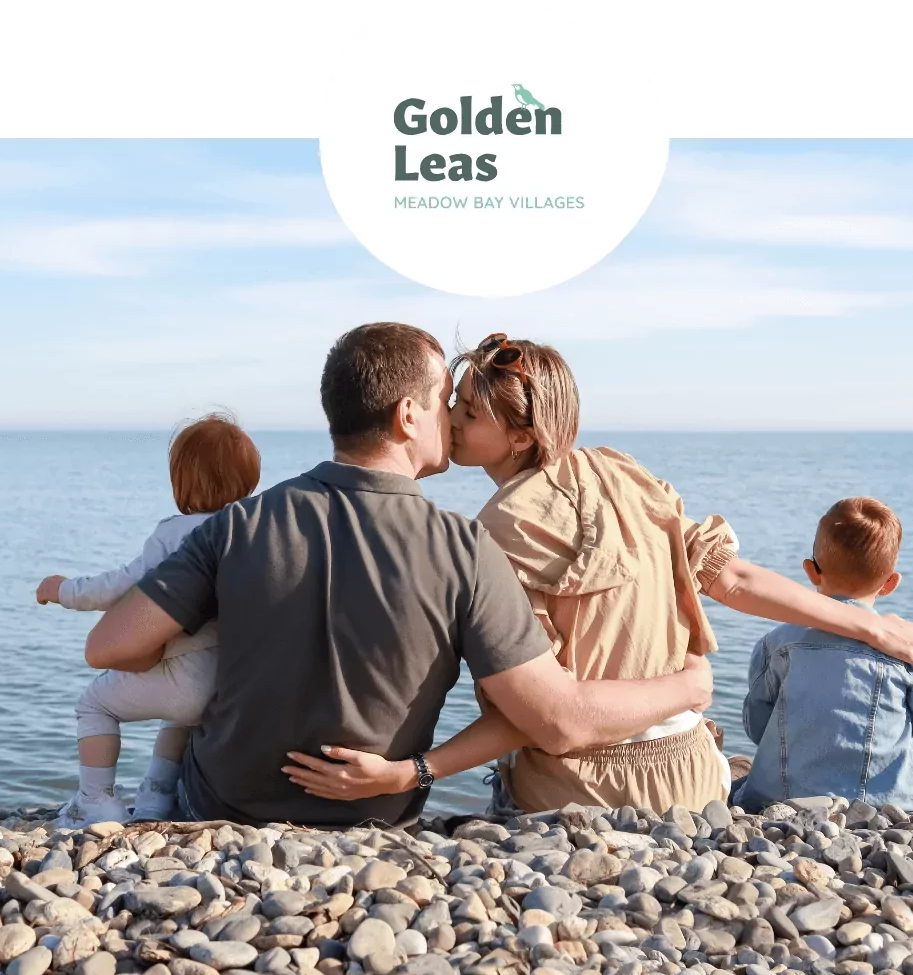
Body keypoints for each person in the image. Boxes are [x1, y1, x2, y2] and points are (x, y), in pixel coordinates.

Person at [79, 322, 717, 829]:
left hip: (223, 813)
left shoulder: (238, 524)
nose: (454, 419)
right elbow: (559, 719)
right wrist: (688, 685)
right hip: (373, 818)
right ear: (409, 416)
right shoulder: (464, 546)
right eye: (446, 403)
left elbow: (109, 646)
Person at [282, 334, 913, 817]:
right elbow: (731, 577)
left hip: (582, 795)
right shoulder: (626, 472)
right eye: (453, 402)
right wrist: (869, 627)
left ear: (519, 436)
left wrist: (414, 772)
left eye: (470, 412)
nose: (448, 417)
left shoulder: (504, 526)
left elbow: (549, 720)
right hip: (692, 777)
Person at [36, 412, 261, 826]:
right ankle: (157, 798)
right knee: (180, 720)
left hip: (183, 675)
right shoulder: (252, 533)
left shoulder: (174, 533)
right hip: (232, 684)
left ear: (182, 480)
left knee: (95, 704)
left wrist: (63, 589)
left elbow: (123, 587)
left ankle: (96, 800)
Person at [731, 497, 913, 813]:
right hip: (888, 807)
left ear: (811, 571)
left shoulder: (776, 644)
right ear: (890, 583)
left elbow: (757, 728)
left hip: (780, 798)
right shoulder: (902, 648)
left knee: (740, 773)